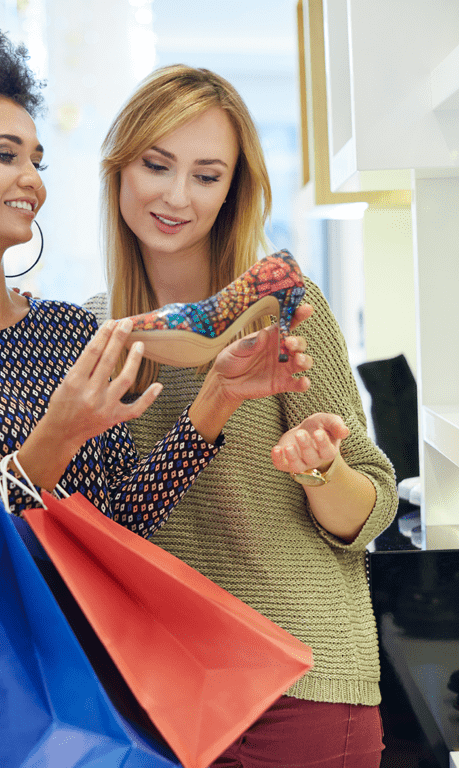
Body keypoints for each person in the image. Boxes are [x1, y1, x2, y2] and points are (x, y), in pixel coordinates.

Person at [0, 19, 315, 537]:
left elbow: (124, 521)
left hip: (85, 620)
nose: (32, 179)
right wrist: (55, 439)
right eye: (5, 155)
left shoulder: (68, 330)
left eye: (35, 160)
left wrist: (219, 395)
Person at [86, 64, 396, 767]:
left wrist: (323, 469)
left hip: (303, 682)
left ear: (233, 191)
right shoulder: (92, 337)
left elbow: (366, 515)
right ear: (119, 171)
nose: (175, 196)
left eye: (206, 175)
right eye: (156, 165)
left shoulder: (280, 310)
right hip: (157, 695)